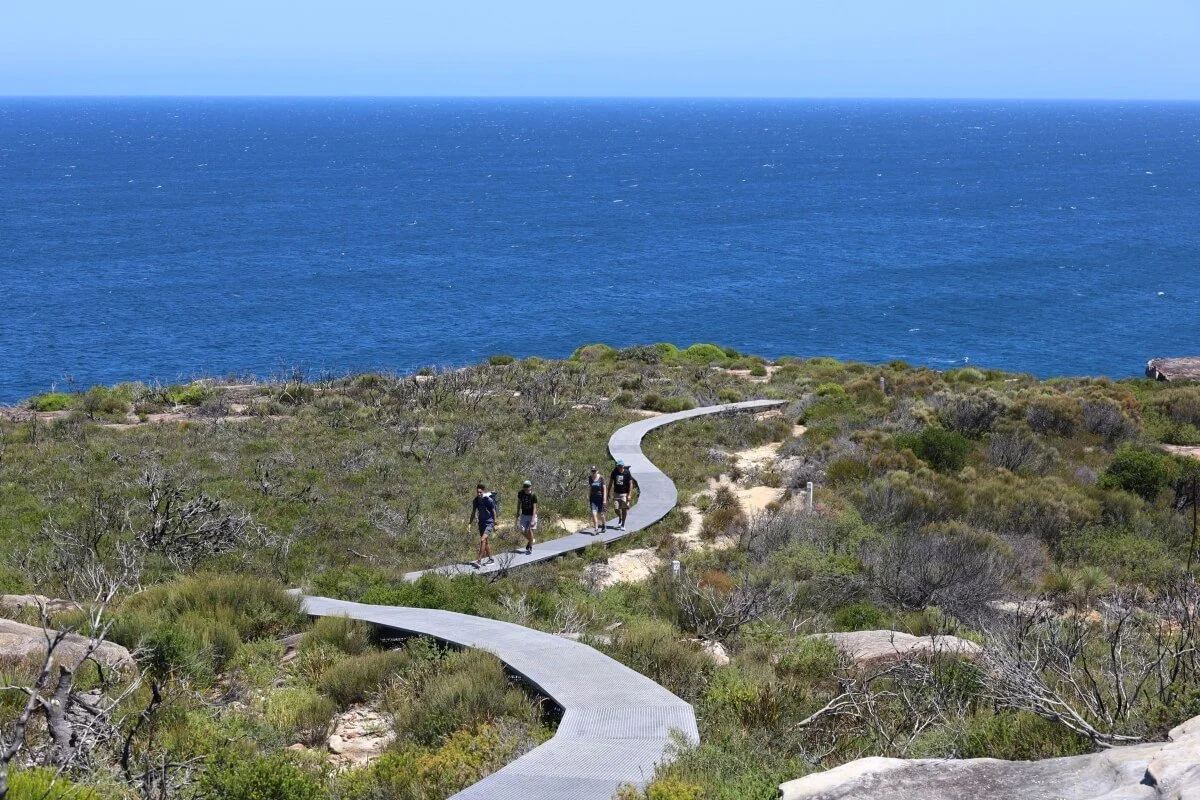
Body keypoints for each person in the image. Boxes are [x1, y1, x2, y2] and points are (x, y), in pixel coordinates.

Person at [468, 483, 496, 567]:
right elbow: (473, 512)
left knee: (482, 540)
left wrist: (495, 524)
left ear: (484, 491)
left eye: (480, 492)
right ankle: (491, 559)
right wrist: (469, 523)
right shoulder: (476, 500)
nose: (479, 494)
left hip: (489, 523)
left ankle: (479, 560)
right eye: (478, 492)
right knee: (486, 542)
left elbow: (494, 512)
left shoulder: (488, 500)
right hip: (481, 523)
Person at [608, 459, 637, 529]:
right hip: (616, 493)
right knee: (616, 509)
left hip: (624, 494)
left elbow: (631, 484)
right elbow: (610, 483)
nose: (619, 467)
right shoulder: (614, 472)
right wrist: (608, 492)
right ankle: (620, 517)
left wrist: (629, 494)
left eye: (620, 466)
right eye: (618, 466)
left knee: (624, 509)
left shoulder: (627, 472)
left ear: (623, 466)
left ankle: (623, 524)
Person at [516, 479, 537, 555]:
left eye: (527, 486)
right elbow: (519, 503)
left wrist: (533, 519)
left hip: (531, 515)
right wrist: (518, 512)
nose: (526, 488)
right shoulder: (521, 493)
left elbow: (534, 507)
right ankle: (531, 540)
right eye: (524, 486)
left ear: (530, 487)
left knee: (530, 531)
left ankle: (530, 547)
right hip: (524, 514)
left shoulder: (533, 495)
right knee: (522, 530)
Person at [587, 465, 607, 533]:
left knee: (601, 514)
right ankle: (596, 527)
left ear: (597, 471)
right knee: (594, 513)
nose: (593, 472)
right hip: (593, 498)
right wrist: (589, 496)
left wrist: (604, 499)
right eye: (592, 471)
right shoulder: (590, 478)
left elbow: (604, 489)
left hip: (600, 498)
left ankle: (604, 525)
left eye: (594, 471)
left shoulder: (601, 478)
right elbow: (590, 488)